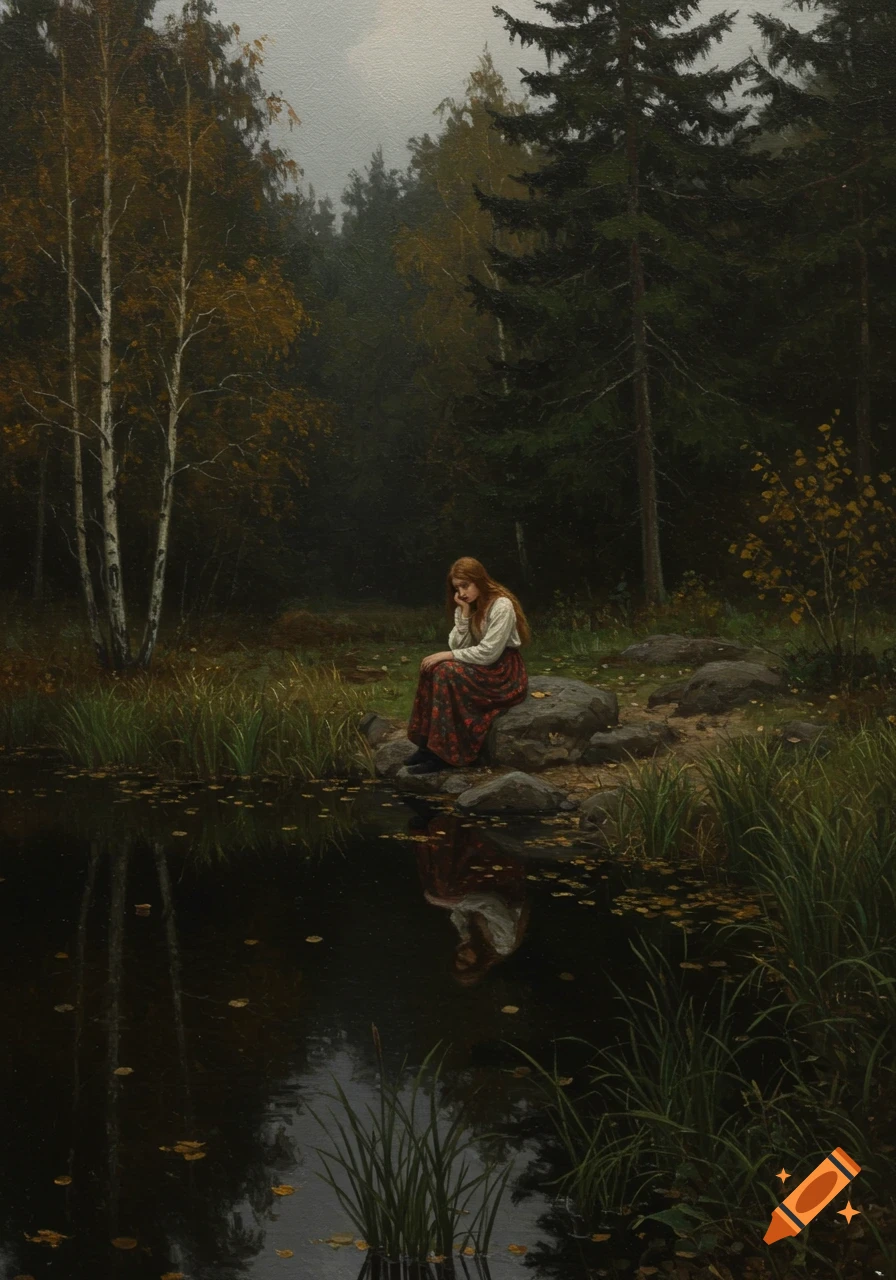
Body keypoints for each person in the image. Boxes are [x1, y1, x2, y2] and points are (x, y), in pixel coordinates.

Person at [405, 557, 530, 774]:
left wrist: (448, 655)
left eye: (465, 585)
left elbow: (489, 653)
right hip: (481, 666)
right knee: (431, 668)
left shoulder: (502, 604)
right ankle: (426, 747)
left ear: (479, 580)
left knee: (445, 671)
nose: (461, 593)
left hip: (502, 673)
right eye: (457, 588)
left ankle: (443, 755)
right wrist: (463, 614)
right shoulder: (467, 605)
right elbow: (456, 644)